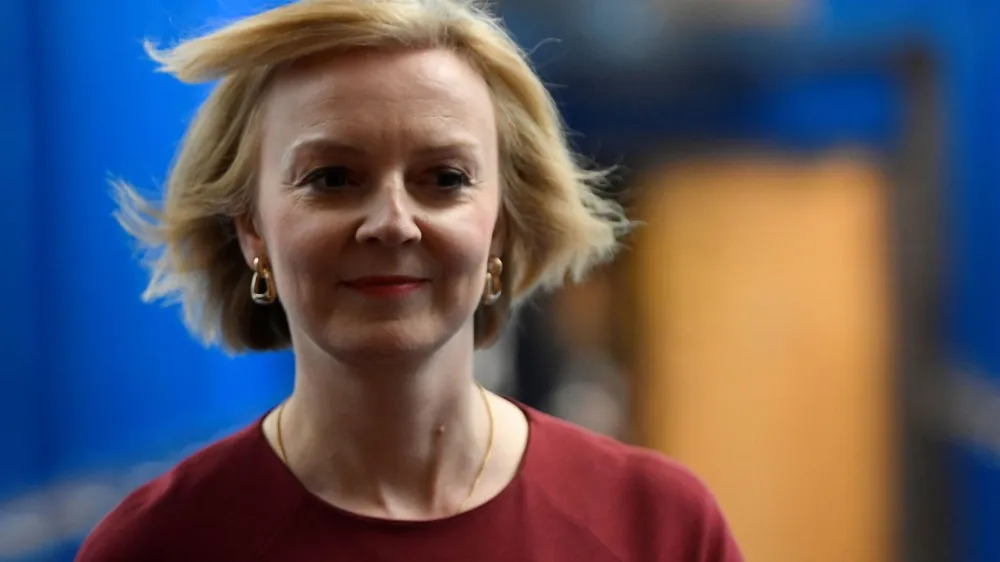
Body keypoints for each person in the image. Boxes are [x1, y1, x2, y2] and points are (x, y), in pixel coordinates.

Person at [76, 0, 743, 560]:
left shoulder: (659, 528)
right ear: (252, 230)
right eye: (331, 178)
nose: (393, 223)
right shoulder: (158, 545)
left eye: (444, 179)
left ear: (502, 226)